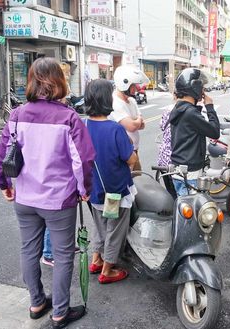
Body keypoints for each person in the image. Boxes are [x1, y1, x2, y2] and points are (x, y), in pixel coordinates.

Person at [0, 57, 93, 328]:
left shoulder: (17, 115)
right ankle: (60, 312)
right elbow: (82, 160)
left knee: (28, 250)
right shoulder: (68, 118)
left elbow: (1, 155)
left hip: (24, 197)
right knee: (62, 256)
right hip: (59, 200)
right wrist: (85, 191)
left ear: (31, 81)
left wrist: (4, 185)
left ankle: (37, 302)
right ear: (59, 82)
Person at [84, 79, 138, 284]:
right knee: (115, 229)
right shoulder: (114, 129)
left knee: (100, 225)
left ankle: (96, 259)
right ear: (108, 100)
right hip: (115, 191)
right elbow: (131, 158)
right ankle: (107, 270)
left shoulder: (84, 124)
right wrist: (130, 144)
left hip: (94, 189)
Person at [169, 68, 220, 196]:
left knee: (184, 209)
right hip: (190, 173)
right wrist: (210, 107)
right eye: (202, 88)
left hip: (180, 169)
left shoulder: (179, 108)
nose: (203, 91)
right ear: (194, 88)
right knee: (192, 212)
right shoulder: (190, 113)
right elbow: (214, 132)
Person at [109, 66, 149, 171]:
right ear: (124, 84)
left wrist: (137, 122)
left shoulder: (132, 101)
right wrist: (137, 121)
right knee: (129, 182)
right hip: (124, 153)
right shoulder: (116, 102)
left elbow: (142, 125)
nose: (135, 88)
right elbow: (132, 126)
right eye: (133, 86)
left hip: (134, 150)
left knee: (138, 178)